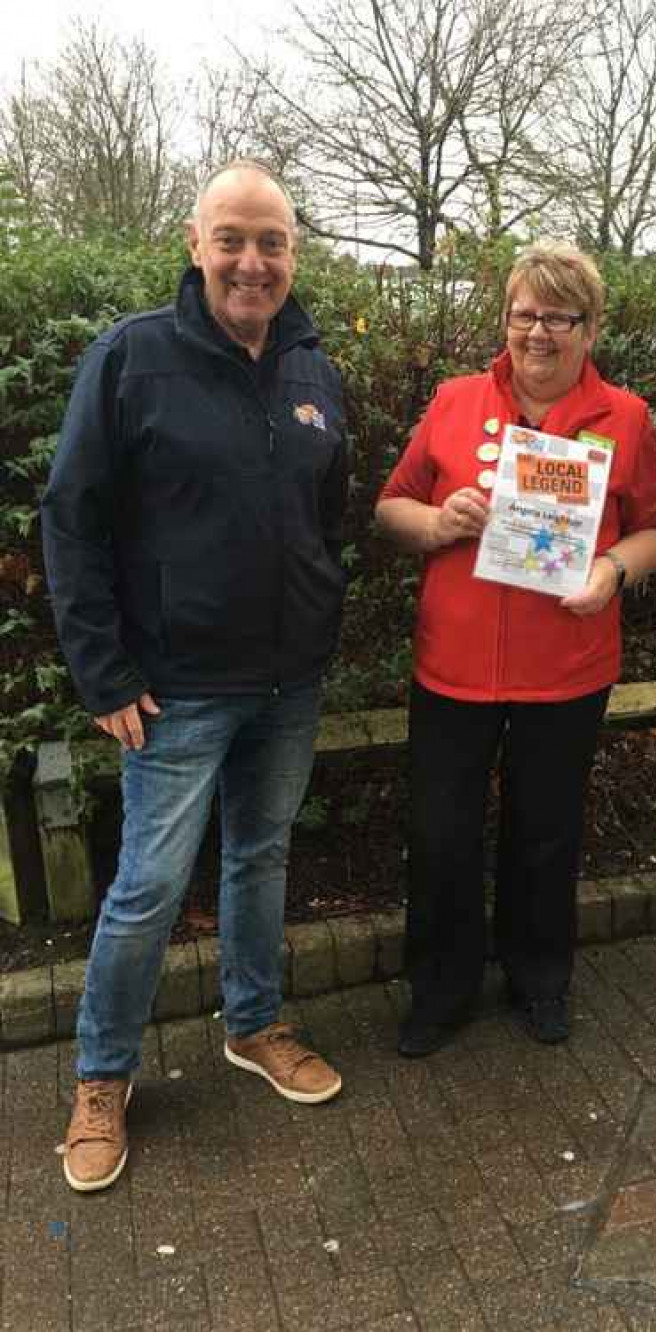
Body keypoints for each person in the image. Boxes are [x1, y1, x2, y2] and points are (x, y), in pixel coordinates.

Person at [41, 160, 349, 1193]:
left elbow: (324, 515)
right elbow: (71, 520)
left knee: (260, 858)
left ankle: (253, 1024)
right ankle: (101, 1075)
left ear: (294, 254)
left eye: (271, 242)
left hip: (288, 680)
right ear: (195, 243)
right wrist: (102, 672)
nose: (252, 261)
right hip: (175, 688)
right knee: (148, 889)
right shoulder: (134, 358)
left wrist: (320, 610)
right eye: (233, 239)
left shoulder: (313, 370)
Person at [375, 242, 656, 1057]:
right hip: (454, 664)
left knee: (546, 832)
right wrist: (437, 523)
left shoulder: (627, 416)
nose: (537, 332)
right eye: (523, 313)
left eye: (558, 316)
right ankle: (442, 988)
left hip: (567, 666)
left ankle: (540, 977)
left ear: (590, 326)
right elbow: (390, 508)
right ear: (505, 318)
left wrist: (613, 570)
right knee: (442, 834)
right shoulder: (454, 400)